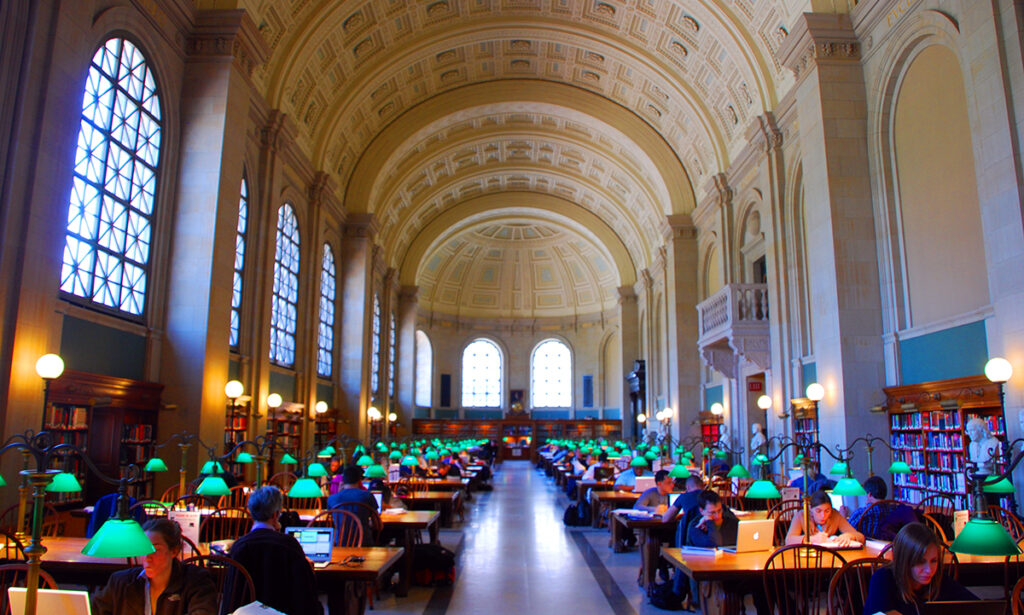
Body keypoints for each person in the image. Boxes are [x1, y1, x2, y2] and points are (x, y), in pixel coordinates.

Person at [221, 486, 323, 615]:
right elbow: (305, 598)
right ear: (276, 514)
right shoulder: (289, 545)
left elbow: (231, 597)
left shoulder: (239, 546)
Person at [92, 518, 218, 615]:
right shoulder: (120, 581)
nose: (147, 557)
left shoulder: (196, 580)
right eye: (144, 548)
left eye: (155, 549)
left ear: (173, 551)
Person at [680, 490, 770, 614]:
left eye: (719, 511)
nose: (717, 516)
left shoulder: (732, 522)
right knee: (729, 591)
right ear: (701, 511)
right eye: (712, 513)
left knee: (764, 583)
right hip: (711, 576)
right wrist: (710, 523)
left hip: (736, 570)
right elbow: (714, 544)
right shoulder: (696, 527)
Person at [863, 522, 977, 615]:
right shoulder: (883, 578)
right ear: (905, 560)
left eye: (934, 561)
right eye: (920, 562)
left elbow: (977, 606)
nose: (929, 570)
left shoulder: (938, 579)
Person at [845, 476, 917, 540]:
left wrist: (843, 516)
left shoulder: (861, 513)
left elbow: (846, 532)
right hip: (889, 547)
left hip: (867, 549)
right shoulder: (894, 510)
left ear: (869, 494)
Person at [785, 490, 864, 546]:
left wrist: (850, 535)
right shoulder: (801, 516)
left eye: (827, 511)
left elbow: (861, 537)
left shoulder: (835, 514)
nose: (823, 516)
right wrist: (812, 539)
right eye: (818, 511)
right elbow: (788, 540)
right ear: (810, 508)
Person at [327, 464, 380, 545]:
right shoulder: (367, 496)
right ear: (359, 481)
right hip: (363, 543)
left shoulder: (332, 499)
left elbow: (333, 522)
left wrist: (339, 492)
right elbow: (378, 525)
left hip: (340, 543)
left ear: (343, 481)